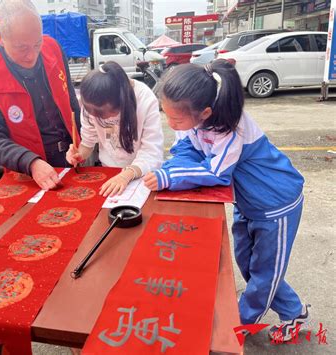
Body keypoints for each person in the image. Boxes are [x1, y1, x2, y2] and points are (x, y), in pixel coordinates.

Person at [143, 60, 309, 341]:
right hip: (246, 203)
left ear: (204, 112)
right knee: (246, 262)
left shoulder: (231, 128)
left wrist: (168, 178)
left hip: (275, 205)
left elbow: (216, 172)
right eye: (166, 115)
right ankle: (293, 308)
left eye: (176, 120)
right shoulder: (193, 119)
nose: (171, 124)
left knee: (265, 273)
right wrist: (168, 171)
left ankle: (243, 324)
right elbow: (186, 149)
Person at [0, 0, 80, 191]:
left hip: (73, 156)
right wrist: (31, 163)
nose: (32, 55)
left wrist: (83, 143)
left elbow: (71, 101)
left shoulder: (52, 48)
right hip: (31, 170)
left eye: (37, 43)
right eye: (22, 48)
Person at [66, 61, 163, 197]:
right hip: (110, 172)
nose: (97, 118)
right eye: (91, 112)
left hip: (143, 175)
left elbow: (151, 152)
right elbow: (88, 142)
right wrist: (78, 155)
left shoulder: (145, 100)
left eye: (102, 114)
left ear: (121, 103)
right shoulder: (92, 103)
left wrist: (126, 175)